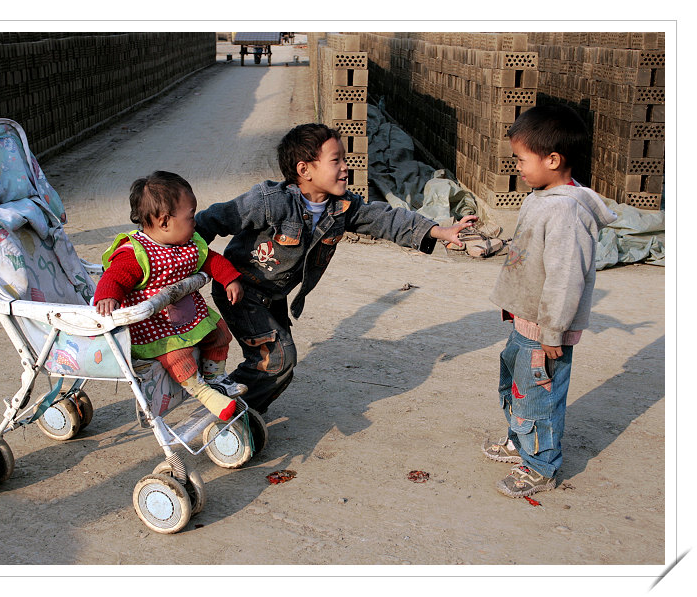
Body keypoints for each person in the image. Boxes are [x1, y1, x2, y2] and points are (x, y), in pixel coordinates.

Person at [195, 123, 477, 415]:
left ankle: (237, 412)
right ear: (305, 170)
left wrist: (438, 231)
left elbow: (386, 220)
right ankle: (223, 410)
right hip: (242, 290)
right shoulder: (270, 201)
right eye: (336, 160)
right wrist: (179, 254)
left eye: (344, 159)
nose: (346, 167)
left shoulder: (342, 207)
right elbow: (213, 219)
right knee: (278, 360)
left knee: (279, 365)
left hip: (274, 296)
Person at [482, 104, 617, 497]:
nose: (518, 167)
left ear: (553, 159)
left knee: (538, 396)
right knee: (518, 386)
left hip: (544, 331)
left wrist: (553, 332)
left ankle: (541, 465)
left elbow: (564, 278)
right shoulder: (543, 196)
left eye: (522, 159)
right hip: (525, 322)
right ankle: (519, 442)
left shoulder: (566, 211)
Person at [94, 171, 247, 421]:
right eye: (190, 216)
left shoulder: (189, 243)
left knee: (220, 332)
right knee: (179, 357)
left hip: (188, 315)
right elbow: (115, 276)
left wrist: (229, 277)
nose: (195, 222)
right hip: (155, 326)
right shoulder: (136, 253)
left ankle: (216, 378)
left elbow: (211, 260)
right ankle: (203, 392)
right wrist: (107, 296)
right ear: (165, 222)